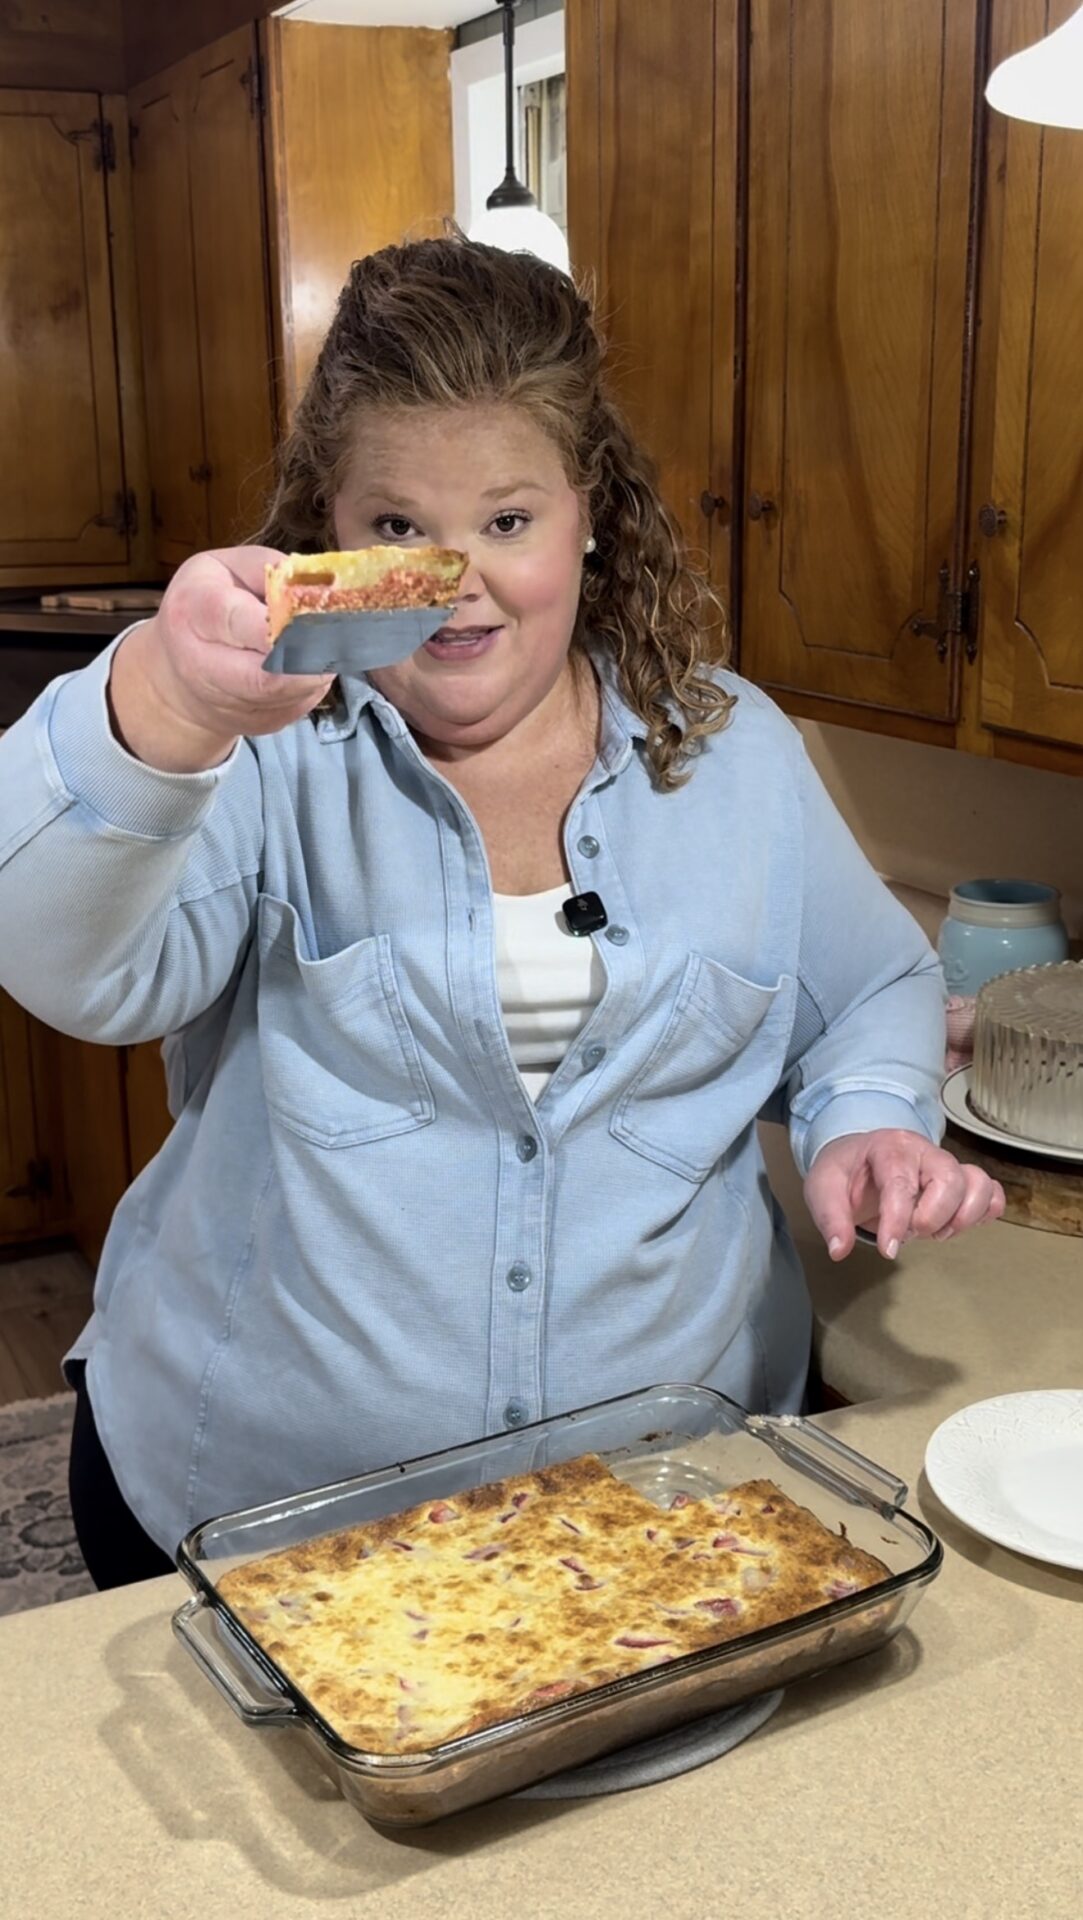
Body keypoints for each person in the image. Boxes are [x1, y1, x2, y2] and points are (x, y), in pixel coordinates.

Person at [0, 238, 1003, 1588]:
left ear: (591, 512)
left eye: (509, 522)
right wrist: (168, 706)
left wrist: (870, 1118)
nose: (458, 579)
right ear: (329, 533)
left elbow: (872, 990)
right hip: (269, 1529)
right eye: (400, 529)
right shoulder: (263, 753)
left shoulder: (733, 754)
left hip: (659, 1523)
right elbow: (73, 968)